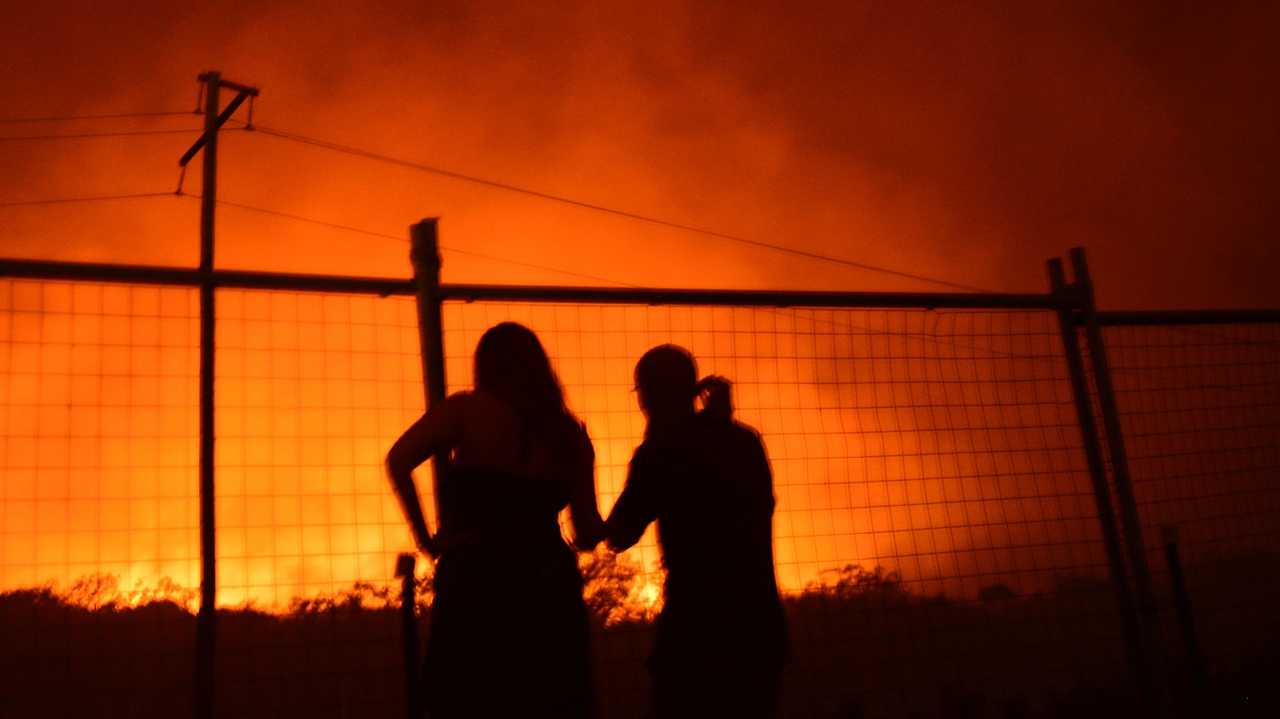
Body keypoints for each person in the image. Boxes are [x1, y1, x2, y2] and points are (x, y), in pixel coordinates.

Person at [386, 322, 605, 719]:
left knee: (473, 697)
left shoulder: (465, 412)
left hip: (476, 581)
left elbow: (399, 459)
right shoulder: (567, 432)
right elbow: (588, 530)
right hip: (546, 584)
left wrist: (427, 539)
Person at [605, 345, 788, 719]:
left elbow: (619, 534)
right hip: (758, 621)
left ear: (650, 395)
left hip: (696, 628)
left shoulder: (659, 453)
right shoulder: (744, 441)